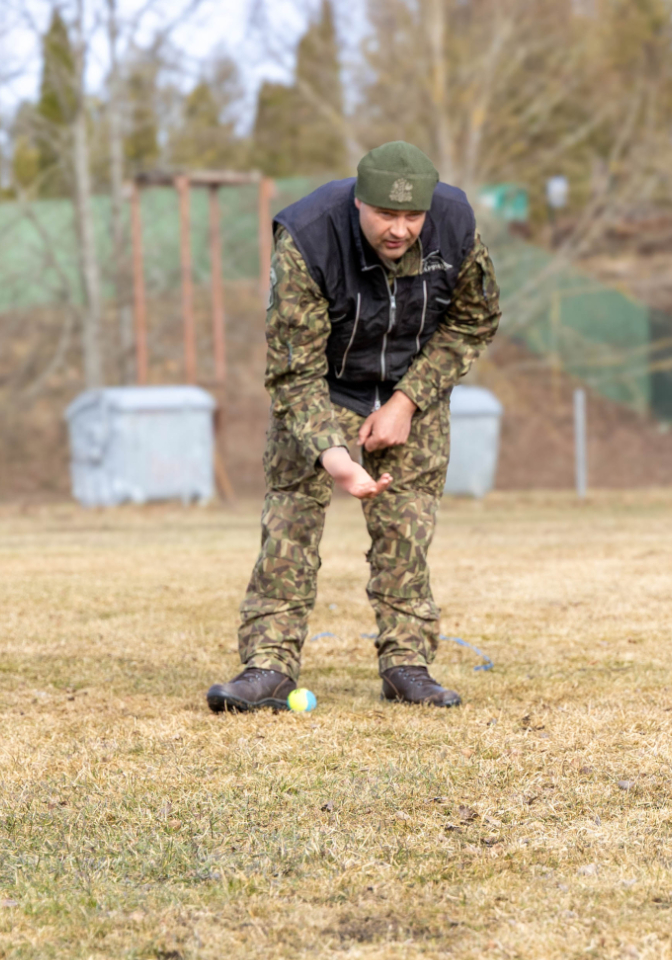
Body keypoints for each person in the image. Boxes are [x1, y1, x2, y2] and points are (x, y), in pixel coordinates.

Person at [207, 141, 500, 712]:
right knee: (288, 526)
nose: (400, 230)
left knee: (406, 532)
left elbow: (473, 321)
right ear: (358, 203)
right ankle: (268, 665)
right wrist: (333, 455)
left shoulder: (456, 226)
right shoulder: (309, 237)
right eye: (385, 215)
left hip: (408, 392)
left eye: (412, 216)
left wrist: (407, 401)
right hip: (323, 389)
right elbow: (293, 371)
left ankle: (407, 667)